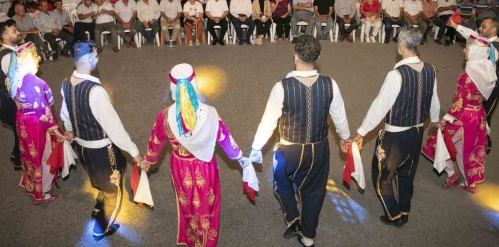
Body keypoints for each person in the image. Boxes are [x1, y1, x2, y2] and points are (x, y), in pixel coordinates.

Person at [249, 35, 350, 247]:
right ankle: (308, 236)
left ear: (295, 55)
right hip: (319, 148)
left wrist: (256, 146)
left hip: (288, 149)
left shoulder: (282, 87)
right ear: (318, 56)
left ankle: (293, 218)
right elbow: (339, 116)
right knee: (314, 191)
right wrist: (345, 137)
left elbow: (268, 121)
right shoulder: (330, 84)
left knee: (281, 182)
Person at [141, 63, 249, 247]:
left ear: (172, 87)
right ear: (195, 84)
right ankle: (208, 240)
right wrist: (240, 157)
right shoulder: (210, 113)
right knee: (208, 202)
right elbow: (225, 139)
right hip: (205, 166)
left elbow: (156, 142)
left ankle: (193, 237)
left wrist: (148, 161)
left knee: (188, 202)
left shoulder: (165, 116)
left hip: (180, 167)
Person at [353, 26, 440, 227]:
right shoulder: (430, 69)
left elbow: (380, 106)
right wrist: (434, 120)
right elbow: (433, 99)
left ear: (401, 45)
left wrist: (361, 132)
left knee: (382, 175)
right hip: (417, 131)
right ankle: (405, 208)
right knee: (407, 173)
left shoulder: (397, 74)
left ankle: (394, 213)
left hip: (395, 137)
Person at [60, 41, 145, 240]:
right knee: (114, 188)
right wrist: (135, 153)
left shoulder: (66, 82)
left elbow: (65, 113)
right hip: (102, 150)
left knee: (96, 174)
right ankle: (102, 228)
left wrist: (70, 130)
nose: (98, 58)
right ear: (89, 59)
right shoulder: (95, 92)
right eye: (96, 55)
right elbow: (114, 129)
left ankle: (100, 198)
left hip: (82, 147)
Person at [422, 35, 496, 194]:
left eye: (467, 48)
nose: (464, 49)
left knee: (440, 141)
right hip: (478, 114)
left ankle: (450, 172)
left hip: (463, 117)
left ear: (475, 52)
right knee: (468, 149)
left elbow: (460, 101)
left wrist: (446, 119)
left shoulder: (467, 75)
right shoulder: (488, 70)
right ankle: (470, 182)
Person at [7, 42, 66, 204]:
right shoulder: (32, 82)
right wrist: (57, 131)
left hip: (23, 119)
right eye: (35, 56)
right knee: (43, 154)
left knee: (29, 154)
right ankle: (43, 192)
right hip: (36, 122)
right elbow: (43, 111)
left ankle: (33, 186)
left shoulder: (14, 76)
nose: (38, 58)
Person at [448, 17, 499, 154]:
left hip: (491, 89)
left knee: (483, 117)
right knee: (475, 114)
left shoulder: (493, 48)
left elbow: (483, 54)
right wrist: (455, 26)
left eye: (484, 26)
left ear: (493, 29)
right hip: (479, 86)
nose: (480, 29)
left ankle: (484, 144)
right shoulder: (486, 41)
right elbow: (472, 35)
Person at [0, 20, 23, 169]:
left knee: (18, 130)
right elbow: (12, 84)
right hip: (11, 100)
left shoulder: (10, 51)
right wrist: (19, 102)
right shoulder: (7, 56)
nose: (18, 33)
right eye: (14, 31)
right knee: (21, 131)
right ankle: (19, 162)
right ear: (5, 37)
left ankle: (15, 155)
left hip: (9, 98)